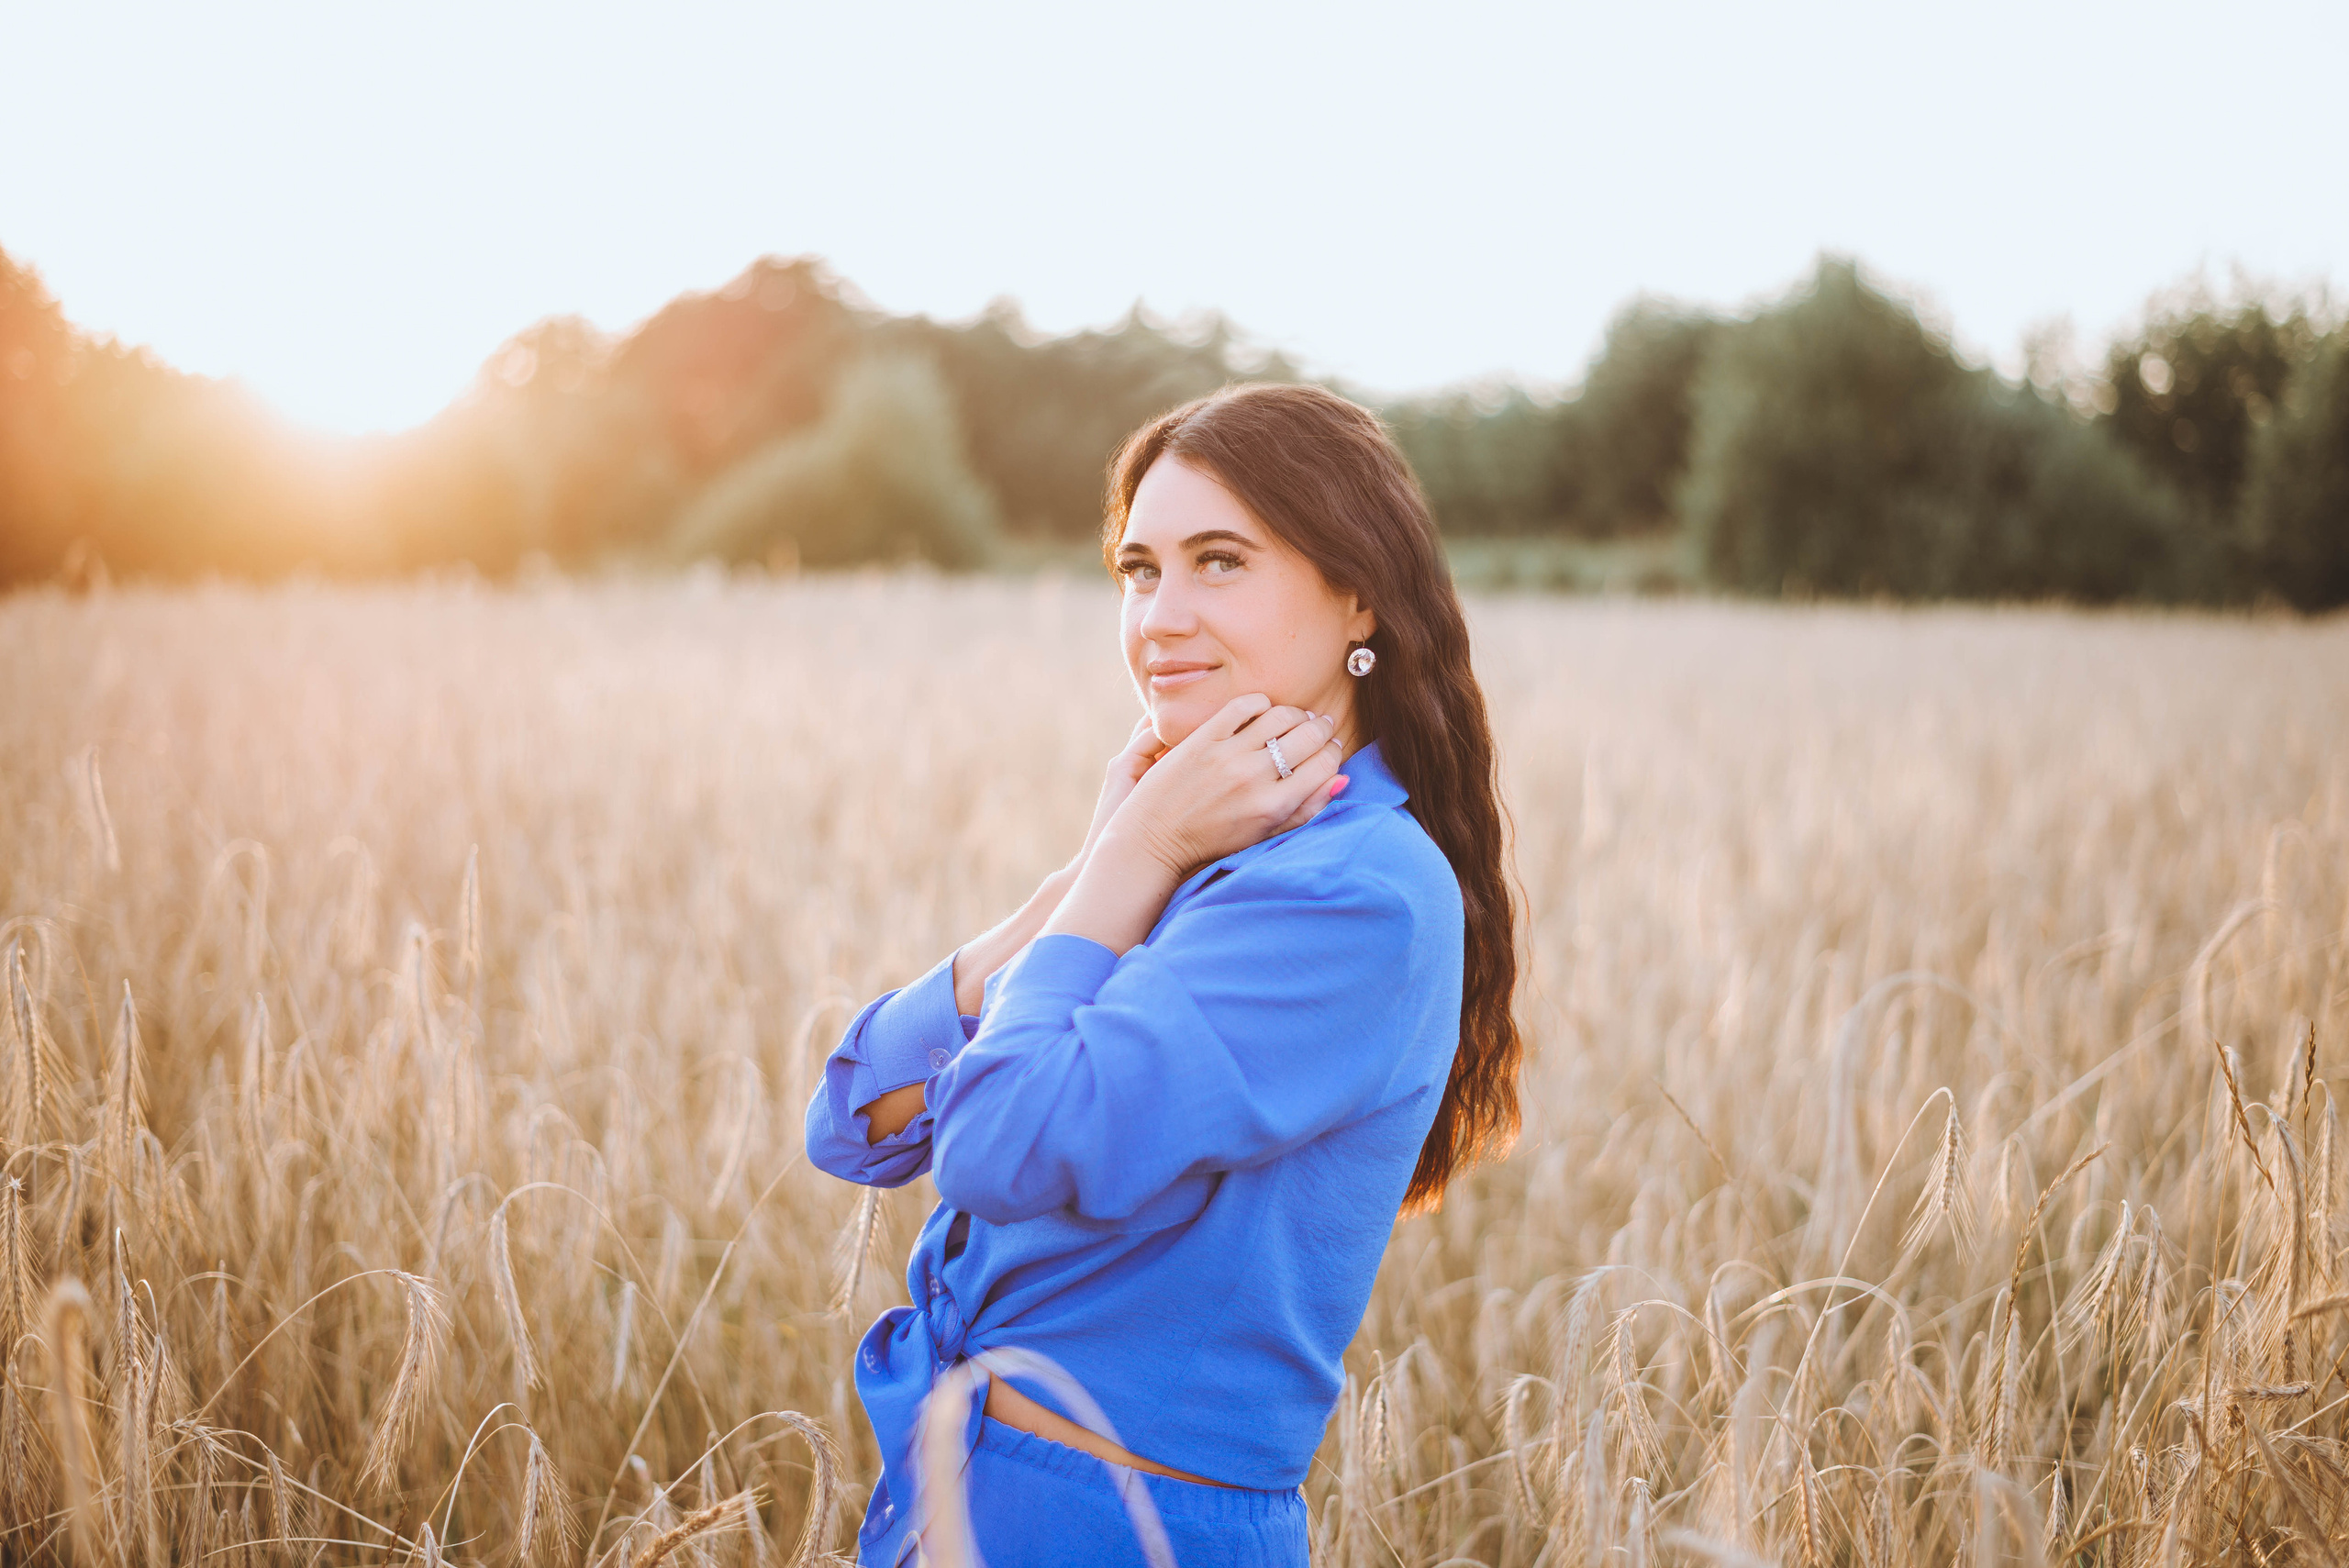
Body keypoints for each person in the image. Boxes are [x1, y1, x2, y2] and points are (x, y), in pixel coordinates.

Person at [803, 382, 1523, 1566]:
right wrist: (1088, 875)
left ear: (1358, 592)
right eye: (1139, 570)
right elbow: (852, 1122)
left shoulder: (1356, 893)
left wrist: (1130, 859)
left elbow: (991, 1146)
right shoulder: (1202, 844)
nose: (1160, 619)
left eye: (1219, 561)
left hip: (1117, 1530)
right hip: (965, 1492)